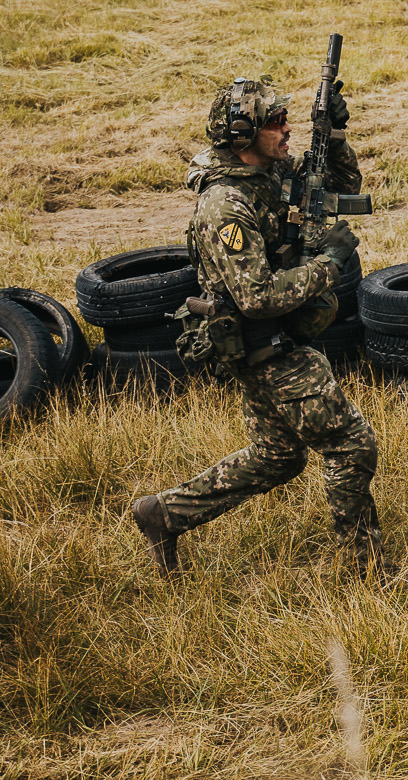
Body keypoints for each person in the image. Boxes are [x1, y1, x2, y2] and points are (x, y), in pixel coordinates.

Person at [130, 76, 386, 578]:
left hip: (274, 339)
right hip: (266, 341)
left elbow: (340, 189)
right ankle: (368, 571)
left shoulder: (267, 174)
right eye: (275, 122)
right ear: (242, 136)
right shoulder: (227, 205)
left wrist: (332, 135)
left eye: (287, 119)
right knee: (350, 444)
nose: (286, 129)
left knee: (277, 456)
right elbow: (258, 296)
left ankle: (163, 513)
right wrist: (330, 265)